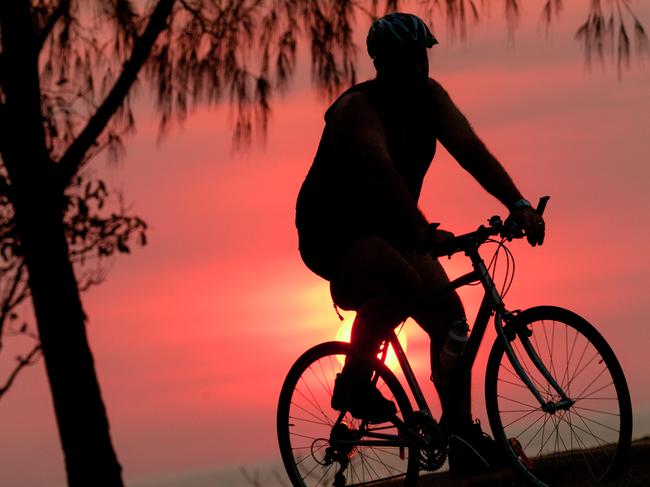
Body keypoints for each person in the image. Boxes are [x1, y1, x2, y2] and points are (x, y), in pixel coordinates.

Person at [295, 12, 545, 476]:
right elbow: (383, 177)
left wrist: (518, 202)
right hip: (333, 232)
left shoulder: (430, 99)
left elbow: (470, 151)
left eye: (421, 57)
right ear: (382, 63)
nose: (417, 67)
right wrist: (423, 232)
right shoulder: (357, 112)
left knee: (450, 316)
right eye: (406, 59)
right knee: (403, 282)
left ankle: (460, 435)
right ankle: (352, 383)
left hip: (391, 227)